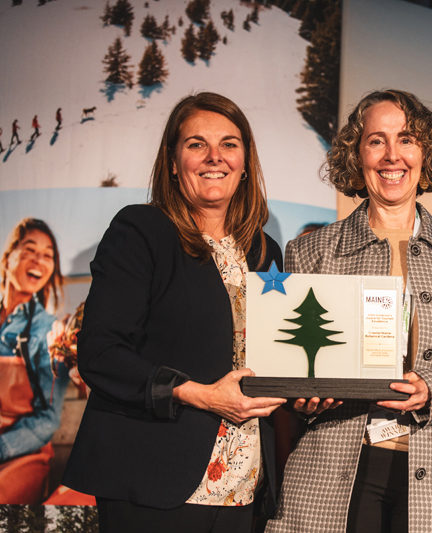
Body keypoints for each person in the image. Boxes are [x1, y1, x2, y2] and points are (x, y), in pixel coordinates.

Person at [266, 89, 432, 533]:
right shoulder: (311, 252)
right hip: (334, 471)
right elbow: (293, 368)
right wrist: (303, 399)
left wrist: (431, 390)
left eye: (407, 139)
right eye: (376, 141)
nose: (392, 155)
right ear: (356, 155)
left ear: (426, 153)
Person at [63, 92, 286, 533]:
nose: (214, 157)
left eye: (229, 144)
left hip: (243, 483)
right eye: (196, 144)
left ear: (245, 162)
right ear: (172, 160)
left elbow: (276, 357)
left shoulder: (265, 252)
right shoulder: (141, 231)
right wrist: (195, 393)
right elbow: (101, 353)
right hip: (155, 478)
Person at [0, 218, 69, 504]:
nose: (39, 260)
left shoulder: (49, 331)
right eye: (30, 249)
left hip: (22, 455)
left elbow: (48, 418)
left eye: (48, 255)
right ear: (8, 258)